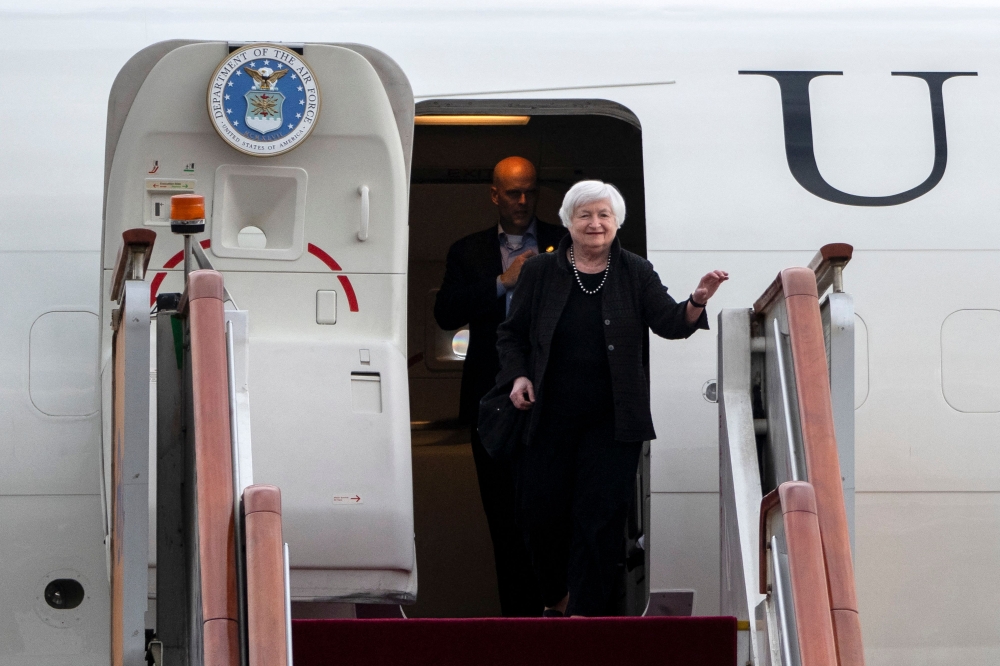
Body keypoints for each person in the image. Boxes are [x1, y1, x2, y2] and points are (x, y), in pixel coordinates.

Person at [495, 180, 728, 617]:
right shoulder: (539, 272)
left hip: (612, 424)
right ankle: (558, 600)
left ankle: (584, 617)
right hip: (547, 420)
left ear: (617, 222)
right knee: (540, 519)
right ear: (568, 221)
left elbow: (669, 322)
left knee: (598, 523)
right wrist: (518, 375)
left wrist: (696, 301)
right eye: (585, 215)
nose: (595, 223)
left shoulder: (634, 271)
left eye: (604, 215)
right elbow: (510, 334)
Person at [434, 156, 567, 616]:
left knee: (552, 512)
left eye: (531, 190)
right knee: (503, 518)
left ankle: (560, 614)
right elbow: (446, 314)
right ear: (495, 194)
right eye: (513, 192)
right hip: (490, 402)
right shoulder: (467, 251)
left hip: (554, 399)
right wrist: (501, 282)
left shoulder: (564, 242)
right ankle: (517, 622)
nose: (523, 201)